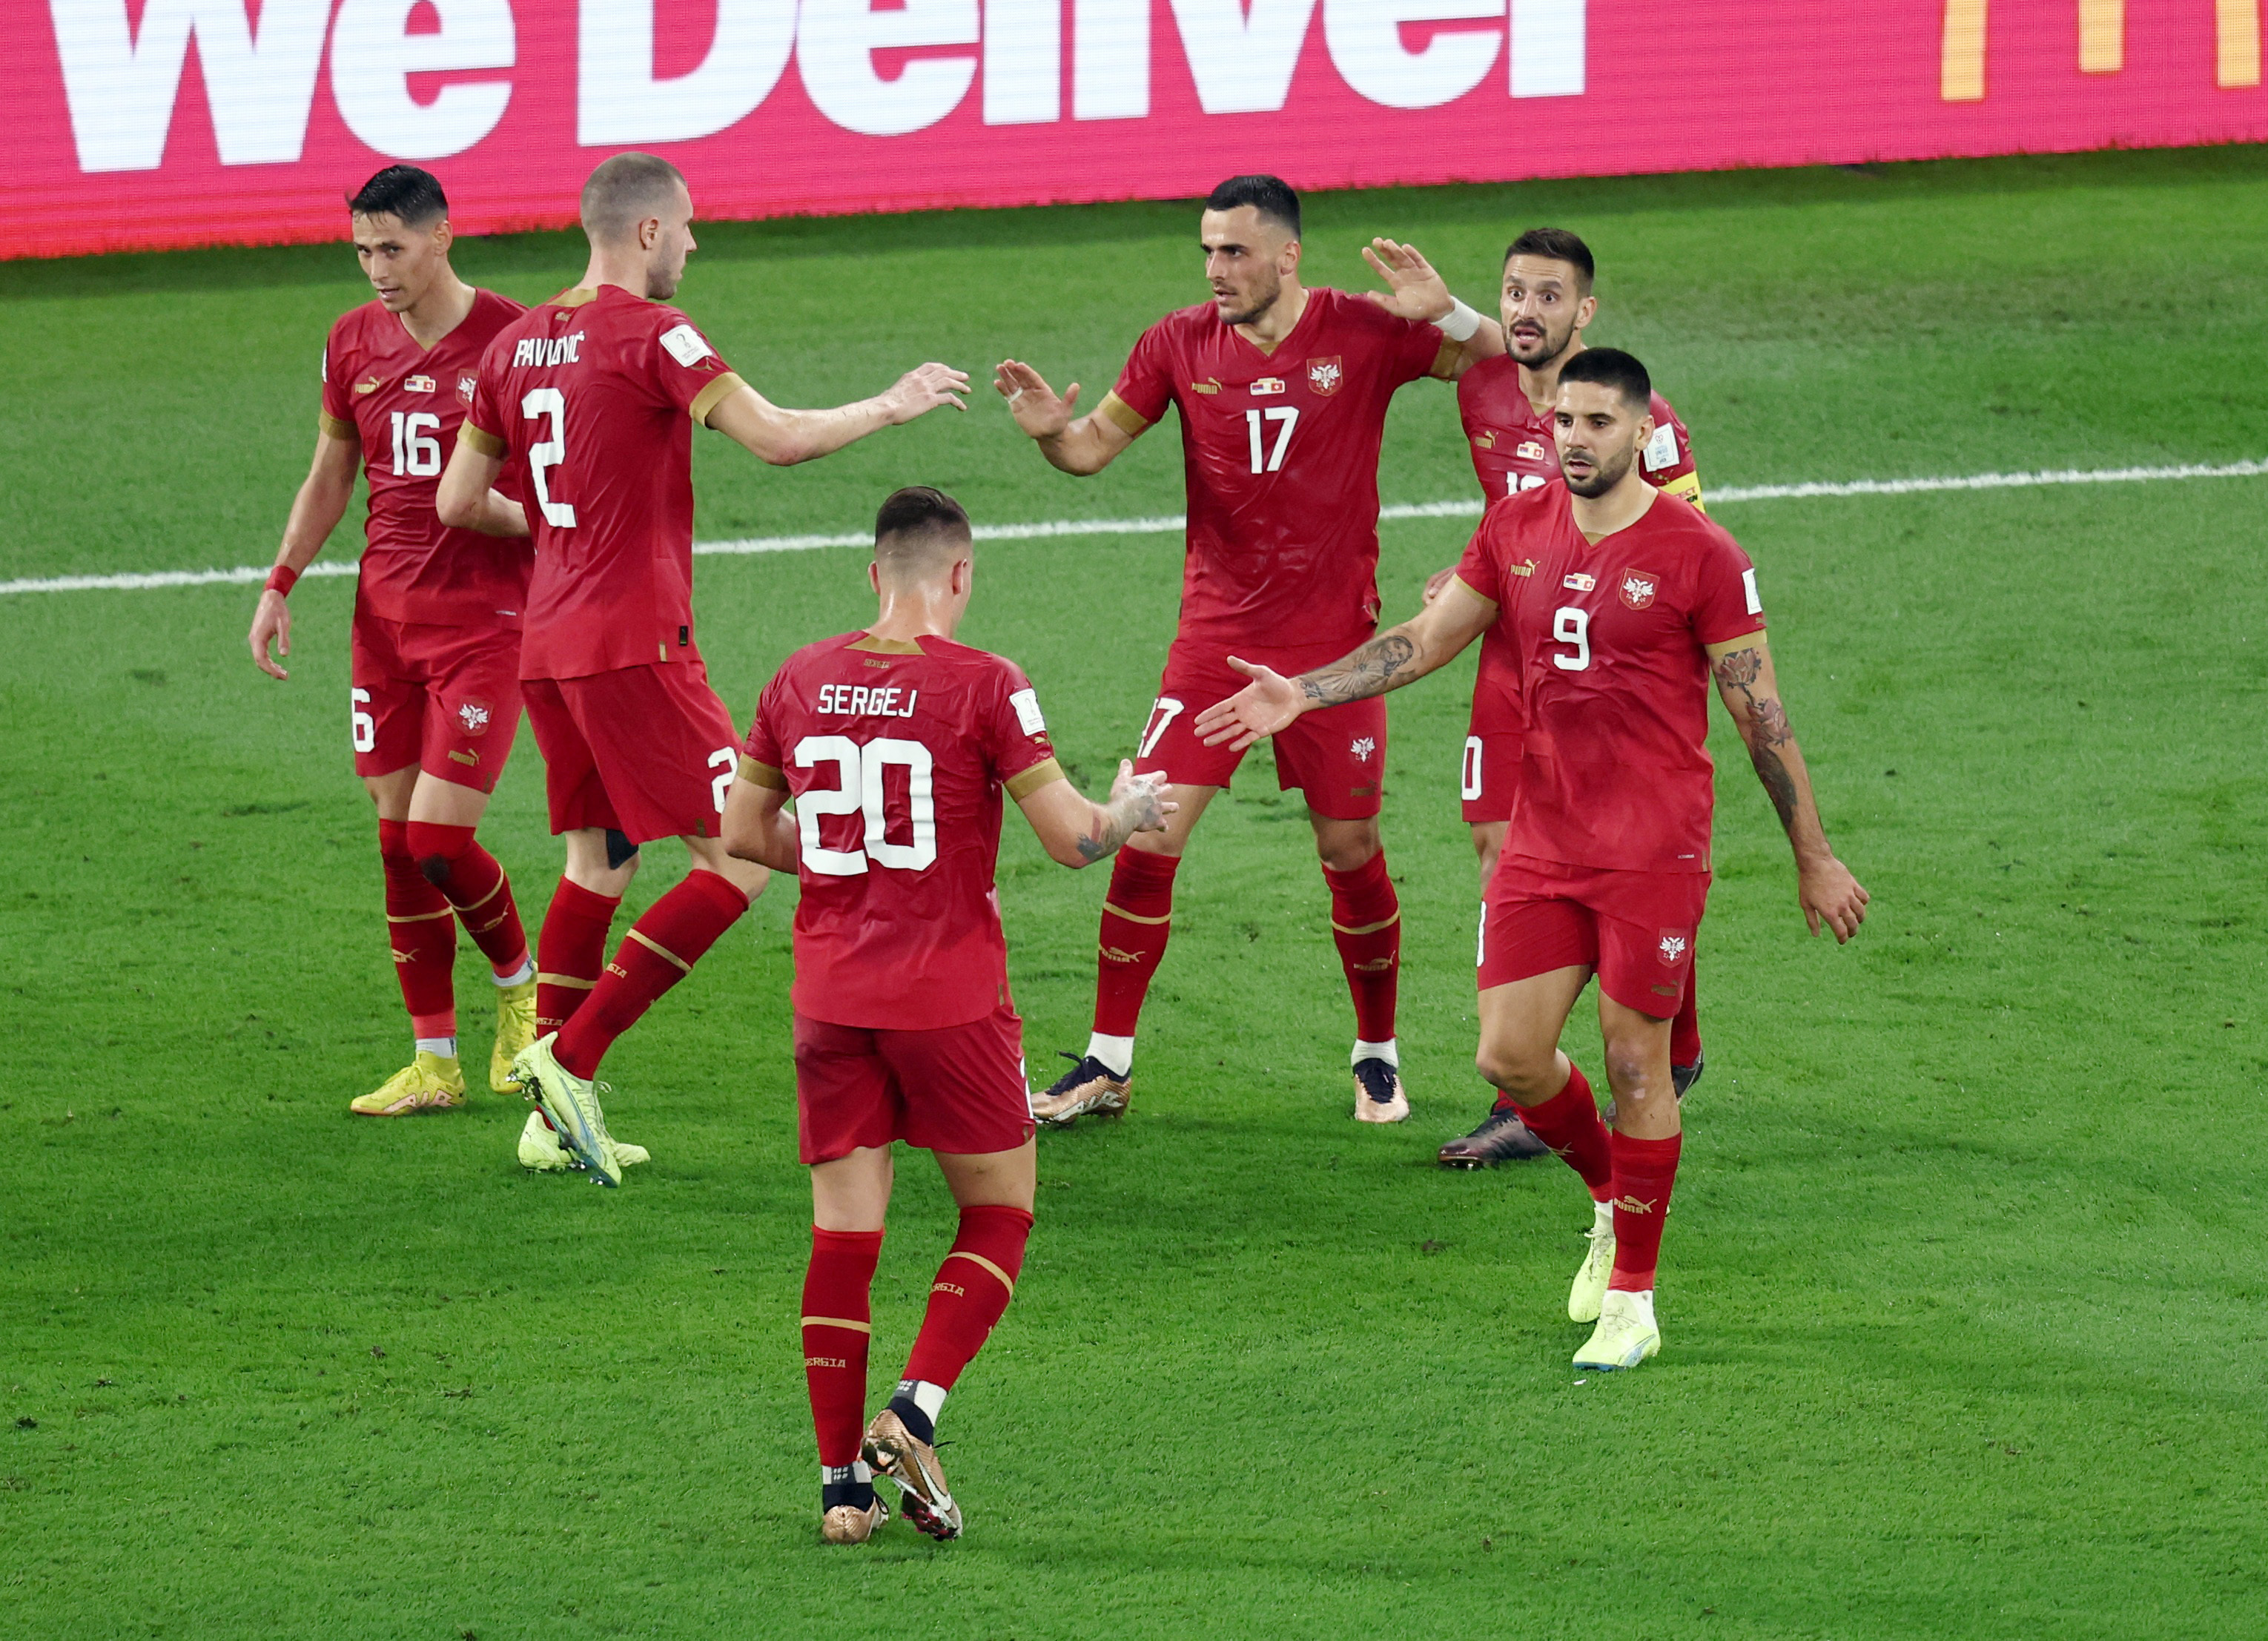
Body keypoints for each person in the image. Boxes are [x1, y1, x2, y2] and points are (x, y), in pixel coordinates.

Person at [1194, 349, 1868, 1371]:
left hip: (1652, 846)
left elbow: (1758, 715)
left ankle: (1633, 1298)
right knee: (1506, 1057)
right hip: (1542, 836)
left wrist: (1810, 856)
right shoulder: (1513, 528)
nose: (1574, 438)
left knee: (1636, 1058)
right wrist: (1305, 691)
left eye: (1597, 422)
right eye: (1563, 421)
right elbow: (1421, 641)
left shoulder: (1700, 553)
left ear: (1642, 432)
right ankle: (1608, 1193)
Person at [435, 152, 970, 1183]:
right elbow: (773, 439)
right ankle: (569, 1059)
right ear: (643, 233)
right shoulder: (652, 334)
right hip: (632, 646)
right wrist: (890, 405)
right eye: (685, 228)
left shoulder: (511, 345)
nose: (694, 243)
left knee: (600, 864)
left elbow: (459, 502)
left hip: (546, 647)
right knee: (739, 854)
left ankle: (547, 1124)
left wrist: (554, 530)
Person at [994, 174, 1502, 1126]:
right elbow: (1093, 445)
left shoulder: (1363, 328)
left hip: (1335, 651)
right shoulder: (1176, 343)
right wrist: (1050, 436)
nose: (1215, 269)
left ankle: (1376, 1051)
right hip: (1214, 644)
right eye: (1206, 251)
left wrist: (1457, 313)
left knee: (1348, 848)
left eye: (1232, 250)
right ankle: (1106, 1061)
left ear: (1285, 254)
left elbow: (1504, 358)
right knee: (1146, 832)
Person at [721, 486, 1173, 1544]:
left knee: (843, 1237)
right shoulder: (985, 684)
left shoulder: (797, 675)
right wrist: (1129, 814)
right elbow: (1071, 840)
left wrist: (843, 862)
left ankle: (841, 1488)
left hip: (830, 997)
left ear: (871, 574)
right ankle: (914, 1407)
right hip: (949, 999)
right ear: (959, 576)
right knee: (998, 1212)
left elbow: (744, 831)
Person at [247, 164, 543, 1119]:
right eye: (363, 250)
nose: (376, 268)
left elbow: (555, 497)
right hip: (383, 626)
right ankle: (434, 1062)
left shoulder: (515, 338)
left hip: (486, 627)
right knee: (395, 842)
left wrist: (487, 517)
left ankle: (520, 992)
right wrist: (280, 580)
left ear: (442, 237)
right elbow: (332, 472)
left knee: (438, 840)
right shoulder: (350, 339)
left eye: (393, 249)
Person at [1424, 227, 1709, 1167]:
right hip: (1509, 663)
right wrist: (1472, 576)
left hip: (1605, 678)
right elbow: (1508, 525)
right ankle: (1539, 1069)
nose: (1524, 311)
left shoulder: (1639, 416)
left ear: (1584, 310)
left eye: (1548, 297)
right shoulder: (1481, 387)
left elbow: (1689, 545)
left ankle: (1611, 1053)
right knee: (1494, 843)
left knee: (1619, 860)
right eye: (1512, 293)